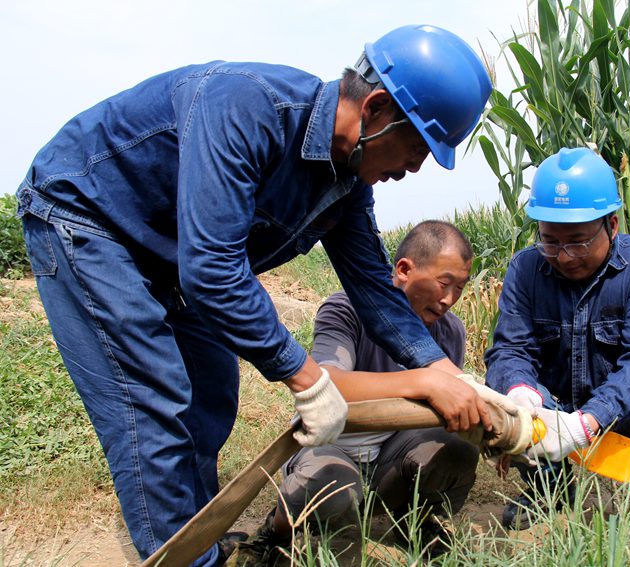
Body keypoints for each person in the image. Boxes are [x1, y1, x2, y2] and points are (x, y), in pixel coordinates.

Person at [15, 25, 500, 566]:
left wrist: (458, 381)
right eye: (416, 147)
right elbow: (213, 272)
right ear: (378, 108)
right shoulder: (248, 108)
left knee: (210, 397)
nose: (413, 169)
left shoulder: (345, 185)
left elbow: (378, 294)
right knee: (153, 396)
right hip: (90, 217)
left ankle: (197, 537)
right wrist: (307, 378)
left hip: (172, 253)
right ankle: (188, 560)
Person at [230, 220, 483, 565]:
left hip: (392, 457)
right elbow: (327, 381)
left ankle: (419, 524)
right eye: (444, 283)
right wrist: (424, 381)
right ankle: (276, 533)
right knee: (331, 489)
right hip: (331, 449)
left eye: (460, 288)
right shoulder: (346, 309)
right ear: (404, 270)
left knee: (456, 451)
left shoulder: (449, 330)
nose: (449, 299)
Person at [484, 147, 630, 528]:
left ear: (612, 226)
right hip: (553, 407)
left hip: (621, 409)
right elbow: (511, 350)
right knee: (507, 402)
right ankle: (548, 489)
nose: (564, 256)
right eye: (551, 241)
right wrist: (520, 393)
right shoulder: (525, 268)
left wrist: (588, 421)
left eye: (578, 241)